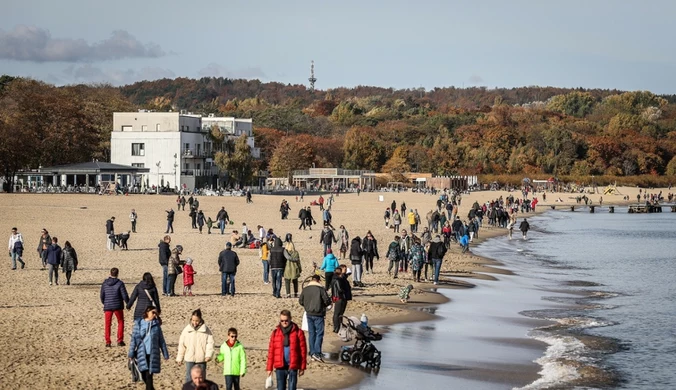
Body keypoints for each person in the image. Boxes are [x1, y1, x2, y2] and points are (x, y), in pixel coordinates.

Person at [128, 306, 169, 390]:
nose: (154, 315)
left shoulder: (156, 325)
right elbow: (133, 340)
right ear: (147, 312)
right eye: (152, 313)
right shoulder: (139, 324)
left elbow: (161, 340)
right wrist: (131, 353)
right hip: (141, 353)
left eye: (155, 313)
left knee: (149, 376)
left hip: (152, 353)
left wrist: (165, 353)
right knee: (143, 375)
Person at [266, 310, 307, 390]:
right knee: (280, 388)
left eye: (286, 320)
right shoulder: (275, 333)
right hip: (280, 367)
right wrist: (269, 368)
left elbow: (303, 351)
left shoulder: (298, 332)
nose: (284, 322)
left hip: (293, 366)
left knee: (292, 388)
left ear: (290, 319)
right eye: (282, 321)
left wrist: (302, 367)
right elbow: (271, 352)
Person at [176, 309, 215, 384]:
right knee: (189, 378)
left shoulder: (206, 330)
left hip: (201, 359)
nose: (194, 322)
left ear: (200, 319)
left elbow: (210, 343)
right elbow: (182, 344)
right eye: (193, 320)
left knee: (201, 379)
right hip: (189, 358)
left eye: (196, 320)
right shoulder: (186, 330)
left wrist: (208, 355)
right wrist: (179, 358)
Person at [298, 275, 331, 362]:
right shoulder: (320, 289)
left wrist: (307, 306)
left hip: (309, 313)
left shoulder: (306, 289)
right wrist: (324, 305)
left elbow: (300, 301)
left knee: (312, 333)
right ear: (318, 281)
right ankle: (316, 352)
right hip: (318, 313)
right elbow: (327, 301)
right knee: (319, 333)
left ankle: (312, 352)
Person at [100, 267, 129, 347]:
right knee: (120, 322)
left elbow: (102, 295)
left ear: (110, 273)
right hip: (118, 305)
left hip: (108, 305)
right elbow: (124, 295)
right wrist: (128, 303)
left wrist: (105, 303)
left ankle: (108, 341)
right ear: (117, 274)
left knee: (107, 324)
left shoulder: (105, 283)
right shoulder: (120, 283)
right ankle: (120, 340)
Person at [330, 267, 351, 333]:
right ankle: (336, 328)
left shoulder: (335, 278)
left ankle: (338, 326)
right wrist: (345, 292)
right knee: (337, 313)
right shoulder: (337, 279)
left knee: (338, 313)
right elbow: (339, 289)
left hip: (336, 297)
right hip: (339, 297)